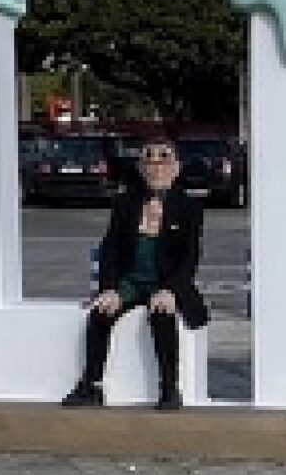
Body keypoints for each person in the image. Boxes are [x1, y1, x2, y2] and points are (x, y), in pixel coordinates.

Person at [60, 135, 207, 410]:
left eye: (163, 159)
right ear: (141, 167)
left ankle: (169, 388)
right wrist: (110, 288)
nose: (156, 166)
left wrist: (171, 290)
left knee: (162, 315)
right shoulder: (126, 203)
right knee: (100, 314)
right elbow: (111, 249)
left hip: (164, 282)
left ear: (176, 166)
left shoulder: (188, 207)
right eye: (149, 160)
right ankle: (91, 384)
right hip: (131, 281)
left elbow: (190, 257)